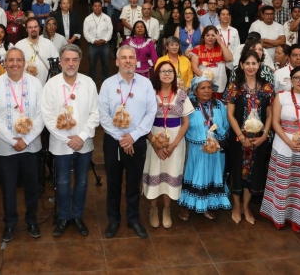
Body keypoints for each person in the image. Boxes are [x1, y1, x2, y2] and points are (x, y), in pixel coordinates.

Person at [98, 45, 157, 239]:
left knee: (133, 183)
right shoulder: (107, 84)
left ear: (136, 61)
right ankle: (113, 220)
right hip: (114, 141)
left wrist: (134, 135)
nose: (128, 61)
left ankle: (133, 219)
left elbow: (151, 112)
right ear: (117, 61)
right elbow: (103, 116)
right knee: (113, 183)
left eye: (131, 57)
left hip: (137, 140)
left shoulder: (146, 84)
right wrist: (122, 138)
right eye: (123, 58)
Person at [41, 45, 99, 237]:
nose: (71, 63)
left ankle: (77, 216)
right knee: (63, 181)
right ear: (60, 61)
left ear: (80, 61)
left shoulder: (89, 83)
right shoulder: (51, 85)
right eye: (67, 60)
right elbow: (47, 116)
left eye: (74, 60)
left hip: (84, 143)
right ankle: (64, 216)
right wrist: (67, 139)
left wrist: (81, 137)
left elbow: (95, 114)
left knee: (82, 181)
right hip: (60, 144)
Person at [260, 66, 300, 232]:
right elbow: (275, 122)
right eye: (297, 77)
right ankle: (278, 217)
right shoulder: (282, 96)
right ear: (291, 80)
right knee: (282, 182)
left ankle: (298, 219)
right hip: (283, 144)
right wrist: (289, 142)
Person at [0, 48, 44, 242]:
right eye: (10, 60)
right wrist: (13, 141)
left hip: (31, 146)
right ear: (5, 62)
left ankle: (31, 220)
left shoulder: (36, 83)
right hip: (5, 147)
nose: (14, 64)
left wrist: (26, 140)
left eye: (18, 60)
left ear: (24, 62)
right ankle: (10, 223)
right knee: (8, 188)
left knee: (32, 186)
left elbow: (41, 114)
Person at [223, 50, 275, 224]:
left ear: (259, 65)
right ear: (241, 65)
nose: (251, 67)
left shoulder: (266, 87)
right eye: (248, 63)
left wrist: (264, 136)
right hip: (239, 138)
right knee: (237, 170)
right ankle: (236, 205)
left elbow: (270, 114)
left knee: (254, 172)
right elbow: (230, 114)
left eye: (254, 63)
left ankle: (246, 206)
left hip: (259, 139)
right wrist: (241, 136)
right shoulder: (234, 86)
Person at [143, 62, 192, 229]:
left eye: (170, 71)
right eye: (163, 71)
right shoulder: (150, 95)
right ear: (157, 74)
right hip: (153, 139)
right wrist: (154, 144)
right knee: (154, 172)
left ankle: (167, 209)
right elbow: (143, 123)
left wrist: (173, 145)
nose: (167, 74)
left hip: (175, 141)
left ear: (174, 75)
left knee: (170, 173)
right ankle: (153, 209)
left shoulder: (181, 95)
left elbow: (185, 123)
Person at [178, 75, 231, 221]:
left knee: (210, 176)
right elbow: (183, 125)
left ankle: (206, 205)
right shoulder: (188, 105)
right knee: (192, 175)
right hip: (195, 149)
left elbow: (226, 126)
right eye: (202, 88)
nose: (207, 91)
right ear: (195, 91)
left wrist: (217, 135)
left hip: (214, 149)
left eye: (209, 87)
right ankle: (185, 205)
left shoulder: (219, 105)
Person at [190, 26, 233, 99]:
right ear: (203, 37)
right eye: (207, 35)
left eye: (213, 35)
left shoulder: (221, 48)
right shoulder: (197, 49)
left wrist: (221, 42)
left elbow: (229, 58)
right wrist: (206, 80)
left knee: (217, 104)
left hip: (219, 83)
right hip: (203, 83)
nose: (210, 37)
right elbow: (194, 68)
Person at [15, 18, 59, 86]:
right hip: (25, 85)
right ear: (26, 29)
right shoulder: (19, 45)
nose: (33, 29)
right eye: (30, 27)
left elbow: (57, 63)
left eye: (35, 27)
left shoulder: (48, 43)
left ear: (39, 28)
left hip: (46, 85)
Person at [83, 0, 113, 84]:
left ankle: (105, 82)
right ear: (92, 7)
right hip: (92, 45)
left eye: (99, 6)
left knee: (106, 65)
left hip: (105, 45)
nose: (97, 8)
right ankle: (92, 83)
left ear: (101, 7)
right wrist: (93, 41)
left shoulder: (107, 18)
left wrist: (105, 39)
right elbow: (86, 33)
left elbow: (110, 30)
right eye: (95, 6)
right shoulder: (87, 19)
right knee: (92, 65)